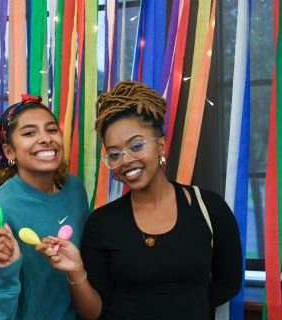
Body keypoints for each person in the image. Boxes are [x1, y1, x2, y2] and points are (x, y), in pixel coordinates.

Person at [37, 80, 243, 319]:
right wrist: (75, 271)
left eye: (136, 146)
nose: (125, 160)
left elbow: (228, 283)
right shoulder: (102, 224)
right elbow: (94, 313)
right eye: (114, 154)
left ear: (162, 146)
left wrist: (182, 307)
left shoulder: (210, 208)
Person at [0, 94, 90, 319]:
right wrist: (3, 273)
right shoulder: (1, 207)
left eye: (52, 130)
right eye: (29, 133)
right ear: (9, 152)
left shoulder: (75, 190)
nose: (45, 138)